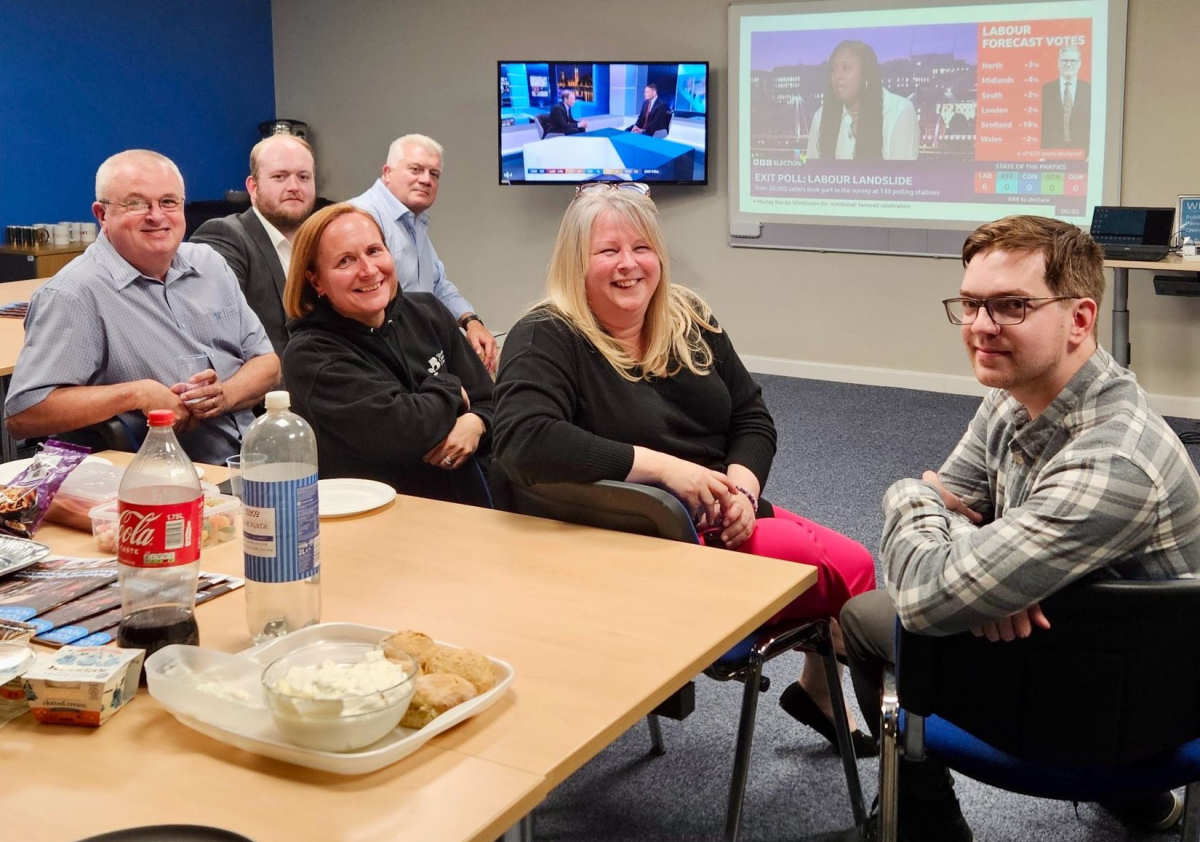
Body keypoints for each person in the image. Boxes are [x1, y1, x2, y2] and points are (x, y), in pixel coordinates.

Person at [834, 215, 1200, 841]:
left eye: (1011, 306)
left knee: (870, 618)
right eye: (972, 304)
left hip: (1127, 701)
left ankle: (926, 825)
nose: (980, 326)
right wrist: (985, 567)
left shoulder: (1118, 458)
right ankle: (1140, 802)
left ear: (1080, 319)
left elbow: (925, 587)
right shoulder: (1017, 390)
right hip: (1093, 650)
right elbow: (957, 506)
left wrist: (912, 494)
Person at [493, 184, 877, 756]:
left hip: (721, 512)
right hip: (645, 533)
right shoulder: (546, 333)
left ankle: (819, 690)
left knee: (849, 575)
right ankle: (899, 764)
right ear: (576, 261)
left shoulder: (687, 314)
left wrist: (742, 490)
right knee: (854, 578)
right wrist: (666, 471)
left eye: (641, 247)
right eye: (607, 251)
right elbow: (523, 439)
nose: (629, 264)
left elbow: (751, 415)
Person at [5, 149, 279, 465]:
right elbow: (24, 414)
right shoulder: (74, 294)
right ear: (101, 214)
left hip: (254, 459)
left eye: (168, 202)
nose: (156, 215)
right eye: (136, 203)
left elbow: (267, 363)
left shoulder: (210, 265)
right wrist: (137, 394)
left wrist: (224, 396)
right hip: (163, 484)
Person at [281, 203, 494, 506]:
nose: (368, 270)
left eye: (374, 251)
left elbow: (493, 401)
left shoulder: (428, 312)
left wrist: (475, 423)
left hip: (467, 507)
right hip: (375, 521)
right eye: (345, 261)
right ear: (316, 281)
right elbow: (405, 431)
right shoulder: (310, 355)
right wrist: (451, 388)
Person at [349, 134, 498, 373]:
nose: (426, 180)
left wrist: (471, 321)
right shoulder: (359, 218)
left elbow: (437, 284)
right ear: (387, 172)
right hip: (378, 361)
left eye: (434, 174)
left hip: (417, 352)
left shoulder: (413, 221)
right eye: (415, 170)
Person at [191, 134, 318, 354]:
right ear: (253, 187)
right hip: (274, 383)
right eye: (280, 177)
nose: (294, 186)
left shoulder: (322, 240)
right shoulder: (226, 236)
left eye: (304, 177)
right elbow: (218, 337)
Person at [806, 40, 918, 161]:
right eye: (833, 70)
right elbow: (812, 174)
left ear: (866, 74)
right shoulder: (821, 116)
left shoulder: (900, 111)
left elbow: (902, 177)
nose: (837, 76)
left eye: (846, 68)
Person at [1041, 45, 1091, 152]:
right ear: (1058, 63)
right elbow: (1043, 125)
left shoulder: (1089, 90)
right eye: (1064, 60)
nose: (1068, 64)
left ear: (1079, 64)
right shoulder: (1046, 90)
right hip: (1052, 153)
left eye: (1073, 61)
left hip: (1083, 153)